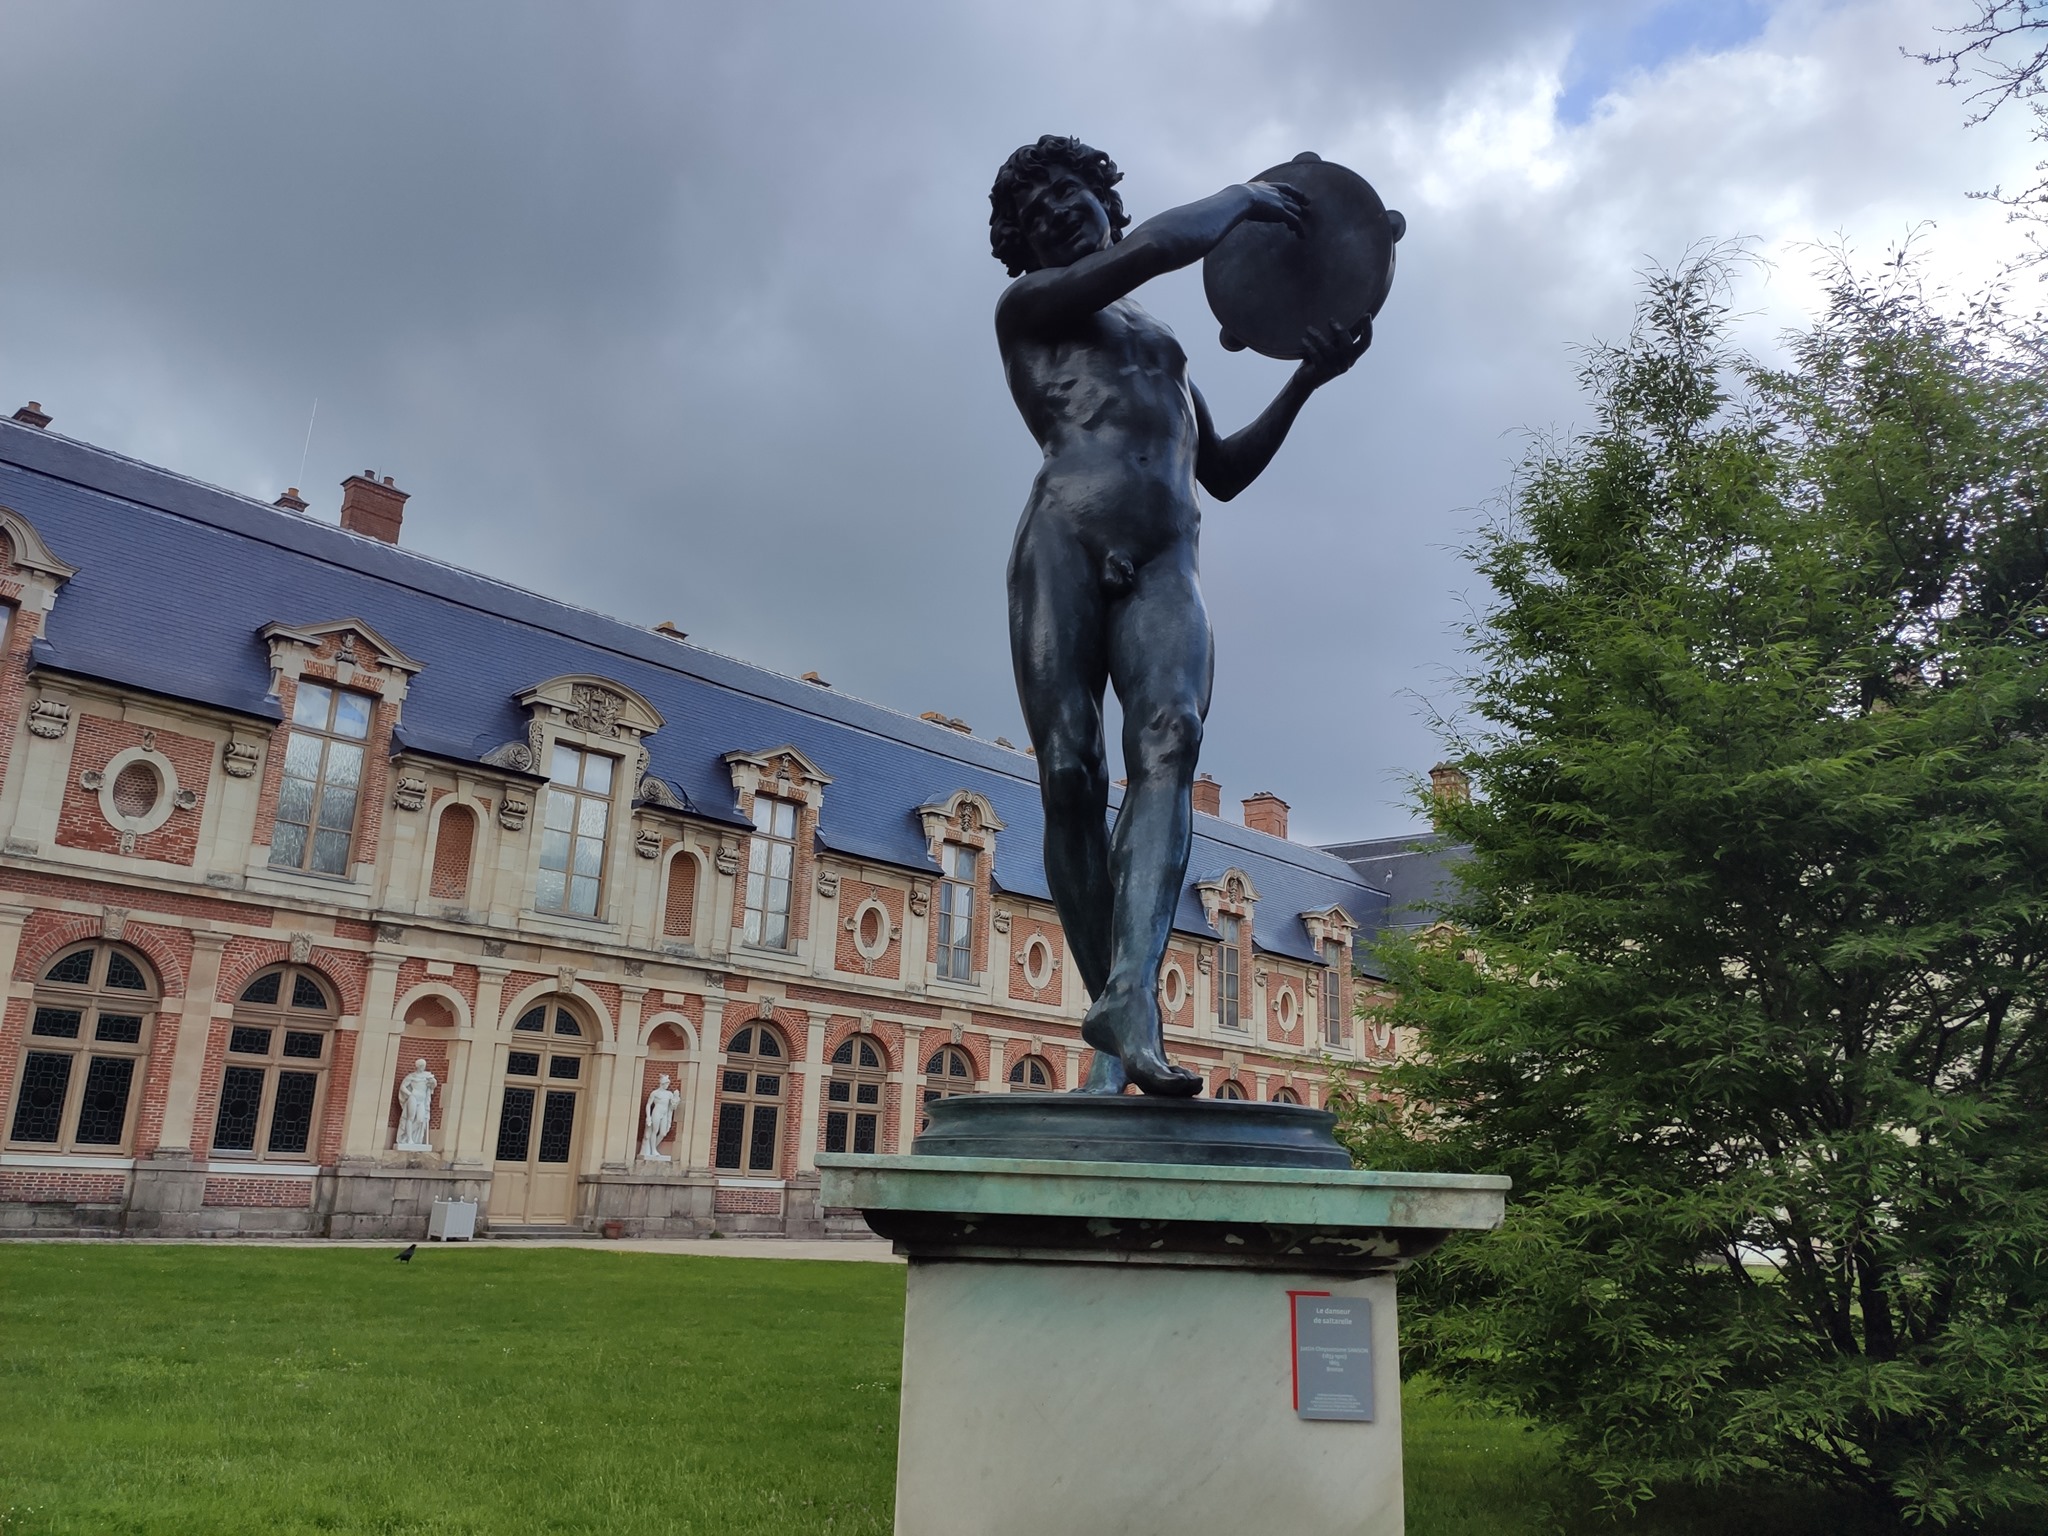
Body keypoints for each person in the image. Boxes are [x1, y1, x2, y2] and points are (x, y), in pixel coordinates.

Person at [990, 135, 1370, 1095]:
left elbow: (1227, 470)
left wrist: (1306, 382)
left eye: (1072, 198)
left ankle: (1130, 996)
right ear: (1023, 246)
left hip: (1169, 555)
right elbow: (1161, 248)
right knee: (1071, 771)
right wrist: (1246, 195)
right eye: (1037, 219)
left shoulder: (1159, 342)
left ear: (1104, 200)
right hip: (1064, 540)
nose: (1060, 218)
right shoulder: (1032, 307)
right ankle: (1116, 1025)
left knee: (1170, 740)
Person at [395, 1058, 437, 1150]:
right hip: (413, 1098)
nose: (423, 1067)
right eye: (421, 1066)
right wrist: (410, 1094)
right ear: (417, 1066)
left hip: (422, 1100)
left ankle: (406, 1135)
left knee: (420, 1120)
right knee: (410, 1118)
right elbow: (403, 1087)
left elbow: (433, 1085)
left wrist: (433, 1082)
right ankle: (409, 1139)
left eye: (424, 1066)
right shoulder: (411, 1076)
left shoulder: (428, 1076)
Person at [641, 1073, 681, 1161]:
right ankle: (653, 1150)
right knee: (654, 1131)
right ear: (662, 1084)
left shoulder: (669, 1094)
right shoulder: (655, 1093)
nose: (667, 1085)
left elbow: (672, 1107)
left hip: (665, 1114)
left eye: (668, 1084)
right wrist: (648, 1116)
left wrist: (676, 1098)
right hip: (656, 1113)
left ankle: (652, 1148)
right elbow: (648, 1105)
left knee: (663, 1133)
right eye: (666, 1083)